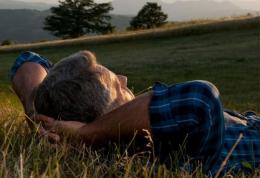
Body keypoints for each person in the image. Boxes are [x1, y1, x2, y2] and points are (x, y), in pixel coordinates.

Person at [11, 51, 260, 176]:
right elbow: (199, 98)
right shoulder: (161, 149)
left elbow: (29, 59)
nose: (124, 78)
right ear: (107, 116)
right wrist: (85, 134)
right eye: (117, 86)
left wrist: (37, 111)